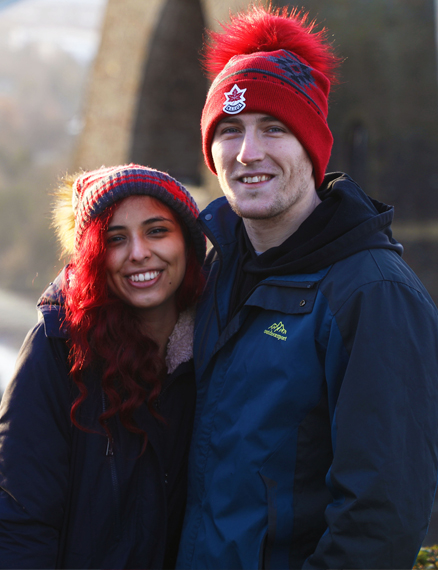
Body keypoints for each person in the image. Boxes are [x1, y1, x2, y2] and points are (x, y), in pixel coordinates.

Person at [176, 5, 438, 570]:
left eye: (275, 128)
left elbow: (380, 519)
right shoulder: (214, 271)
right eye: (230, 130)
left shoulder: (372, 296)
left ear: (314, 148)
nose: (249, 153)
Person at [0, 164, 206, 569]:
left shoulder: (217, 352)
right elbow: (19, 517)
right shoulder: (60, 348)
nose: (139, 252)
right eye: (116, 238)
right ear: (95, 256)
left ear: (189, 241)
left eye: (157, 230)